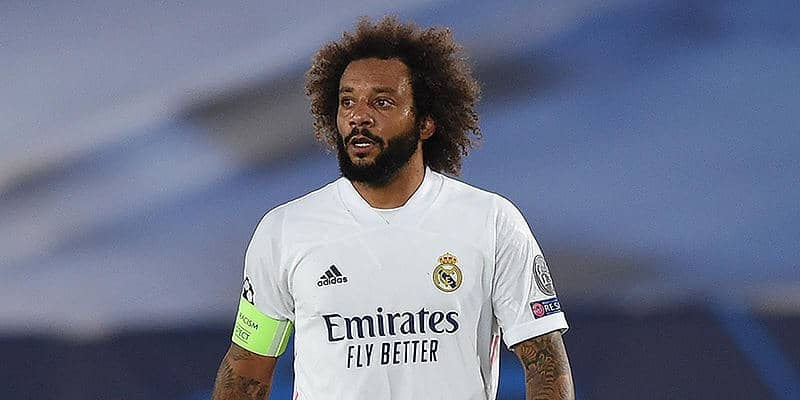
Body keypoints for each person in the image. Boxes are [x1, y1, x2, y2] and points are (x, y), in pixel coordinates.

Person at [211, 16, 574, 400]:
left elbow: (545, 365)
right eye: (347, 101)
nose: (358, 116)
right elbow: (247, 370)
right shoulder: (284, 230)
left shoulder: (492, 222)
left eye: (382, 102)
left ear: (426, 122)